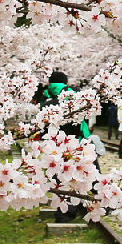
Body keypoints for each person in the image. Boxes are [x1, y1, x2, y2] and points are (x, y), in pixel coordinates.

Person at [36, 70, 91, 220]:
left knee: (60, 178)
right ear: (65, 82)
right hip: (76, 143)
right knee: (81, 175)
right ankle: (87, 205)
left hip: (55, 146)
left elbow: (42, 126)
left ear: (50, 84)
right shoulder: (76, 97)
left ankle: (65, 212)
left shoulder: (46, 101)